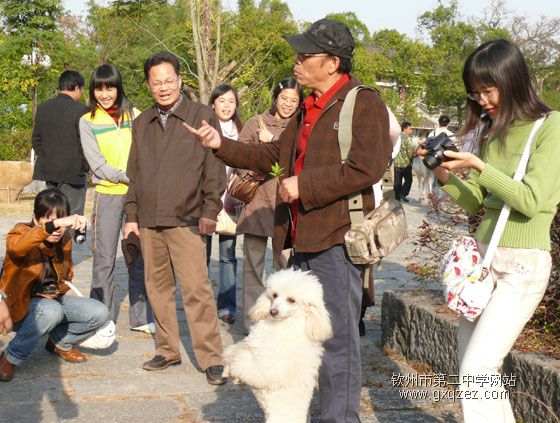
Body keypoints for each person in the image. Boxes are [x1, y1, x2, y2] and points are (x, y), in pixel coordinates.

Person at [185, 19, 392, 421]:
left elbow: (368, 167)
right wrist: (220, 145)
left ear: (332, 62)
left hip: (337, 238)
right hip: (303, 239)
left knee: (336, 341)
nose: (297, 62)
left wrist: (305, 185)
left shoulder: (363, 102)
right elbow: (271, 157)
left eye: (305, 55)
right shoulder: (307, 106)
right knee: (299, 340)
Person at [420, 39, 560, 422]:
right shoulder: (493, 131)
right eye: (475, 92)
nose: (481, 100)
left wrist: (480, 167)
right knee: (475, 370)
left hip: (522, 268)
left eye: (488, 90)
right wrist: (441, 172)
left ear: (512, 80)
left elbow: (531, 201)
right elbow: (476, 202)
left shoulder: (551, 128)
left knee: (476, 370)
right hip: (483, 263)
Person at [123, 51, 227, 385]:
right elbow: (134, 174)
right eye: (157, 82)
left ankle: (211, 357)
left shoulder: (201, 115)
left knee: (196, 288)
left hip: (187, 219)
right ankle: (167, 349)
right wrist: (131, 216)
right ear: (149, 85)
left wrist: (211, 210)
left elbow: (214, 167)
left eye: (169, 80)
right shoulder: (142, 123)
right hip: (151, 220)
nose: (164, 87)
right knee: (157, 288)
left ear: (180, 80)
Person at [0, 189, 109, 382]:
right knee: (51, 310)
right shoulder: (19, 233)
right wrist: (53, 225)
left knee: (99, 312)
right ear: (35, 218)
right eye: (49, 220)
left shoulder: (63, 240)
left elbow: (65, 278)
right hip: (16, 307)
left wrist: (56, 290)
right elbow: (17, 248)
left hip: (49, 303)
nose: (57, 229)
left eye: (61, 221)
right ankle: (9, 357)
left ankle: (59, 342)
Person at [80, 64, 154, 334]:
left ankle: (142, 317)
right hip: (108, 196)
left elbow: (149, 150)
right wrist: (128, 177)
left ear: (118, 87)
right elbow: (97, 165)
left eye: (109, 87)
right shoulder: (87, 120)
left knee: (139, 255)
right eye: (99, 88)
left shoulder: (134, 114)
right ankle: (99, 319)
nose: (104, 93)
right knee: (104, 258)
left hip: (136, 196)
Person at [236, 77, 303, 333]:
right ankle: (252, 323)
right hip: (256, 202)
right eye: (284, 98)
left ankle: (281, 323)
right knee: (252, 266)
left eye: (293, 100)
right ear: (275, 98)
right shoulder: (256, 122)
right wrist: (254, 169)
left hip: (285, 207)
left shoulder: (300, 128)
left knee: (283, 266)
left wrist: (271, 139)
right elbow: (240, 156)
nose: (287, 104)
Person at [206, 84, 243, 325]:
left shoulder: (242, 130)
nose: (227, 105)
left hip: (232, 202)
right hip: (207, 201)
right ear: (213, 104)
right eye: (222, 101)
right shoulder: (205, 129)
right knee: (202, 255)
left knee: (228, 256)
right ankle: (201, 305)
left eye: (231, 101)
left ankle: (227, 306)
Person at [32, 71, 90, 216]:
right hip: (73, 171)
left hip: (49, 171)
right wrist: (85, 165)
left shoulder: (43, 108)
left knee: (52, 213)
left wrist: (47, 156)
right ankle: (69, 239)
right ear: (77, 88)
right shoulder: (81, 110)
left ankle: (53, 238)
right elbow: (86, 143)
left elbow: (36, 140)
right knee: (73, 215)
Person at [393, 121, 415, 202]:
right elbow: (410, 154)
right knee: (409, 180)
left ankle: (396, 196)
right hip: (406, 164)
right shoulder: (408, 139)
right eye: (410, 129)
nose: (411, 131)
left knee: (397, 181)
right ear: (405, 129)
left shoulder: (396, 138)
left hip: (396, 163)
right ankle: (403, 193)